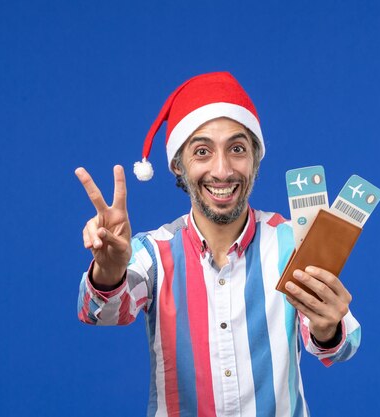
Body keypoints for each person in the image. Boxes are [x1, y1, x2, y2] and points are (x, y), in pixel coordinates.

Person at [75, 72, 361, 417]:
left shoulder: (292, 240)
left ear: (255, 158)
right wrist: (108, 268)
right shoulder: (151, 252)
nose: (222, 170)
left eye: (237, 149)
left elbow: (340, 347)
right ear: (178, 166)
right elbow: (101, 313)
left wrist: (328, 327)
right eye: (202, 151)